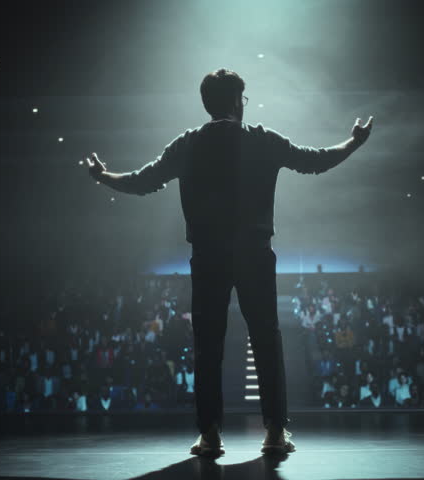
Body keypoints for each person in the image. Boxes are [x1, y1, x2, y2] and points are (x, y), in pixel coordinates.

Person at [84, 68, 374, 456]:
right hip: (254, 253)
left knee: (208, 346)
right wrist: (353, 143)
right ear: (238, 101)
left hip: (208, 256)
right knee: (267, 341)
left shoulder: (187, 144)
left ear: (207, 104)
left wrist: (103, 176)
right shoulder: (262, 139)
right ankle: (274, 433)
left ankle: (210, 435)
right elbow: (316, 161)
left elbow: (141, 181)